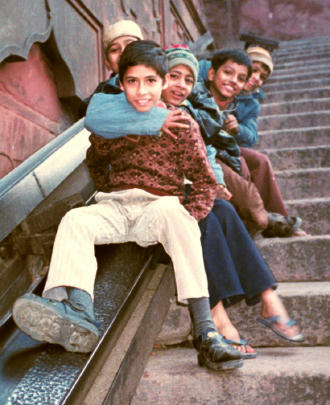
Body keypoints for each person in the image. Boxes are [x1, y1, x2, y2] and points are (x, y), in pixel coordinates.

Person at [12, 40, 243, 371]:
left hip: (158, 207)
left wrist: (189, 217)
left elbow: (204, 181)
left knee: (173, 214)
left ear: (164, 83)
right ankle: (79, 311)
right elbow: (96, 161)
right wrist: (110, 178)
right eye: (132, 81)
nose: (141, 91)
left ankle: (205, 332)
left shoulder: (181, 124)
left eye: (151, 81)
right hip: (116, 207)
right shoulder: (111, 124)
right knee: (76, 220)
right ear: (120, 85)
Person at [86, 44, 304, 357]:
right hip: (140, 207)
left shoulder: (182, 112)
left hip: (173, 195)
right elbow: (95, 119)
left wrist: (213, 181)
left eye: (187, 80)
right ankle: (217, 318)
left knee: (222, 209)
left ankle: (267, 298)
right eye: (173, 76)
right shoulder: (129, 103)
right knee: (206, 217)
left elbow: (205, 153)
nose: (180, 85)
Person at [192, 49, 304, 237]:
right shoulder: (200, 87)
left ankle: (277, 218)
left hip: (225, 146)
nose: (257, 78)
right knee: (241, 166)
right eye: (228, 72)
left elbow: (251, 137)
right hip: (206, 149)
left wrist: (237, 129)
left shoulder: (248, 102)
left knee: (260, 161)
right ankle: (260, 218)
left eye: (262, 76)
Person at [78, 19, 143, 117]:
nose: (123, 52)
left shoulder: (161, 85)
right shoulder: (104, 93)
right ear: (107, 62)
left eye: (130, 45)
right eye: (115, 50)